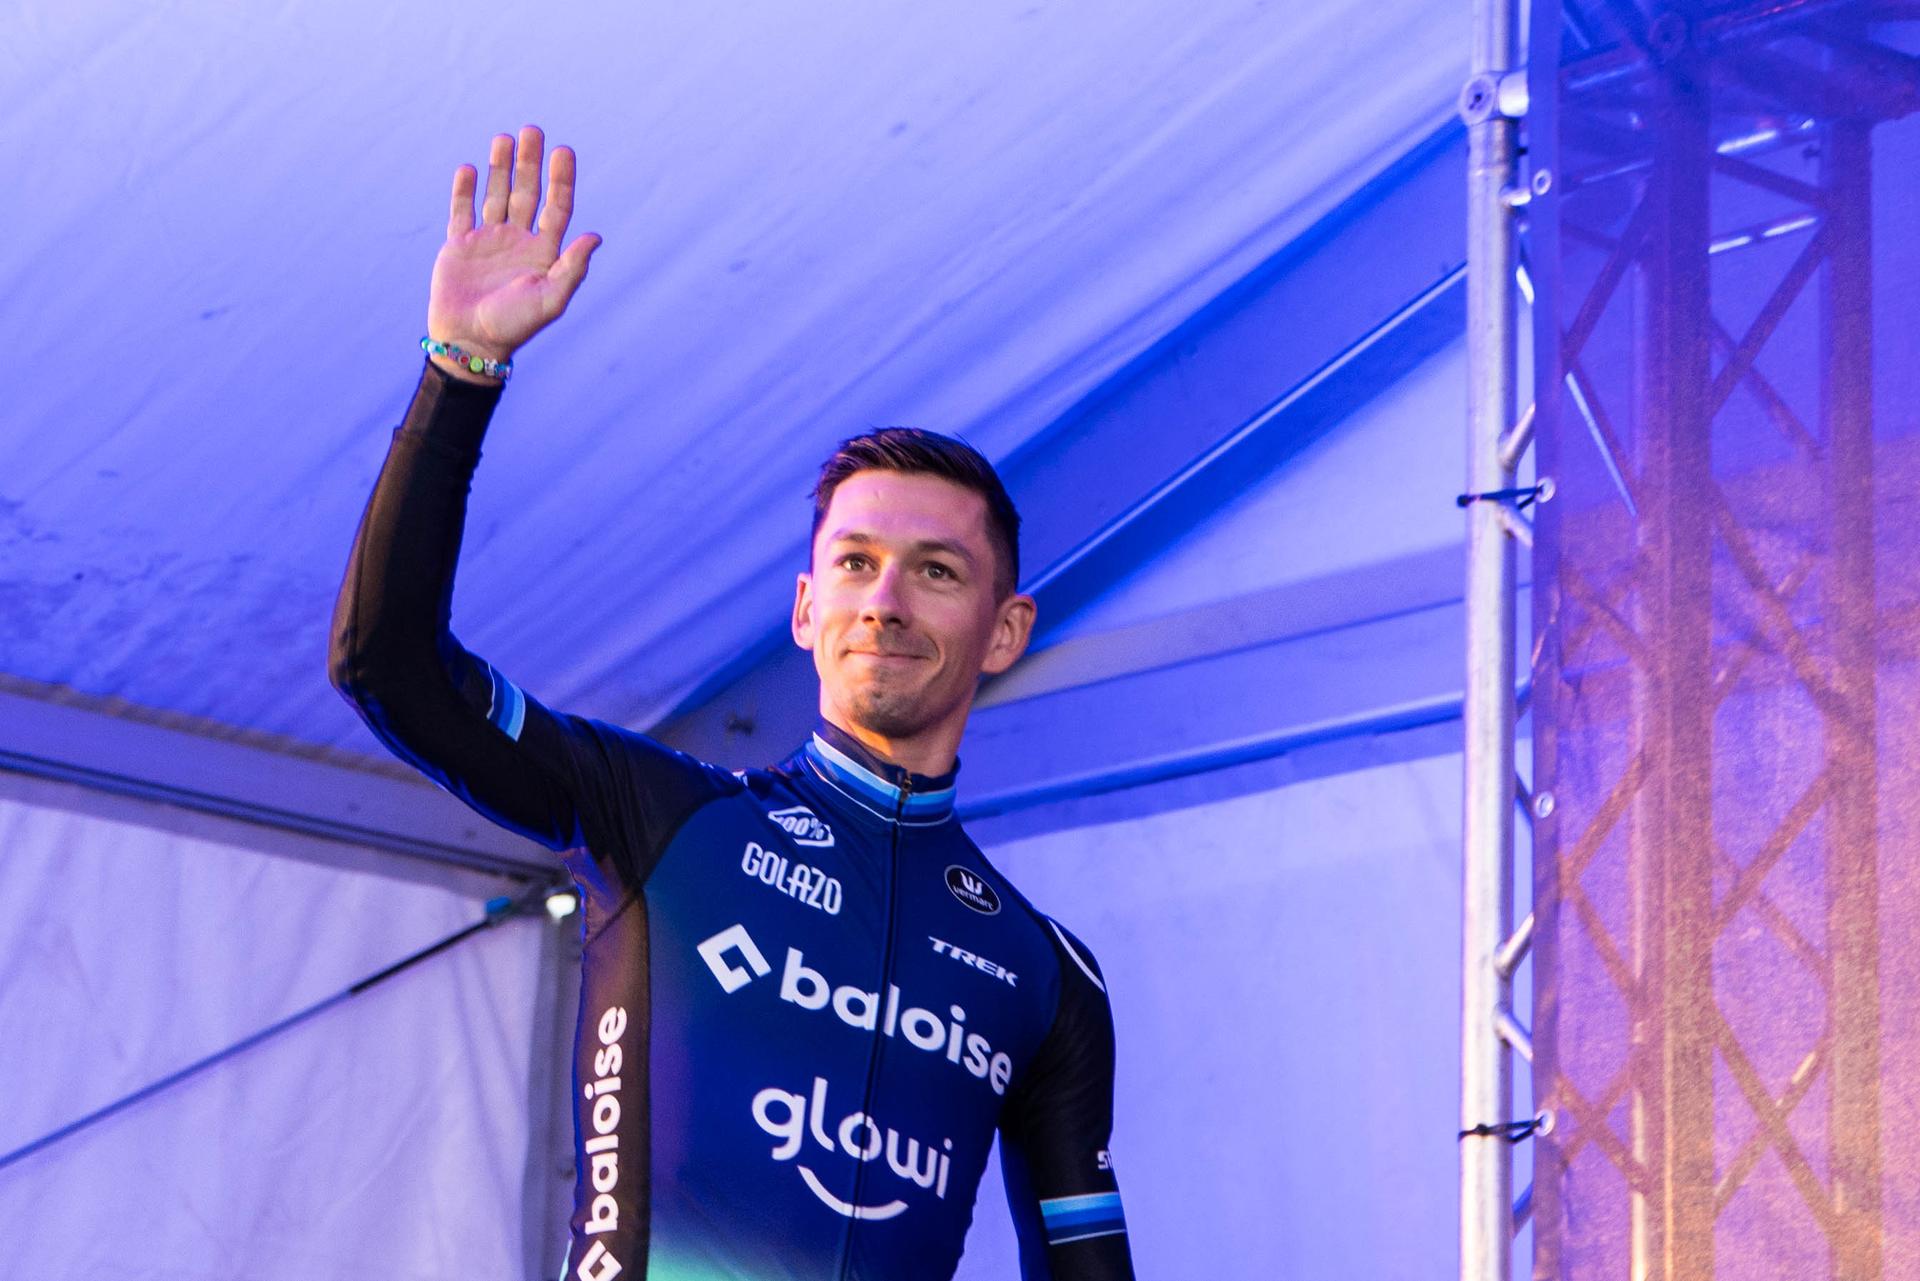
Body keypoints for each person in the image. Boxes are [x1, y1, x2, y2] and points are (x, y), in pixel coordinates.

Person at [330, 125, 1134, 1281]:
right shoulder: (658, 814)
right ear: (805, 608)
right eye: (854, 564)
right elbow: (387, 664)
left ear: (1005, 632)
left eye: (937, 571)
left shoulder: (1049, 975)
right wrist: (460, 373)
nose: (887, 601)